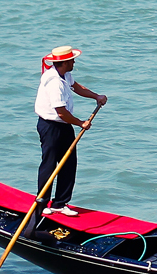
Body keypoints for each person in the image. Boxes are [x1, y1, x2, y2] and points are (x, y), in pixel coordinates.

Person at [34, 45, 108, 218]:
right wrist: (80, 123)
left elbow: (77, 86)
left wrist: (96, 96)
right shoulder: (54, 82)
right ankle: (42, 202)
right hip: (50, 126)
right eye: (72, 60)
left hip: (63, 124)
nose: (74, 62)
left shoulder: (65, 75)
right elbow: (61, 111)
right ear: (65, 62)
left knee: (69, 163)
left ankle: (60, 203)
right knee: (50, 164)